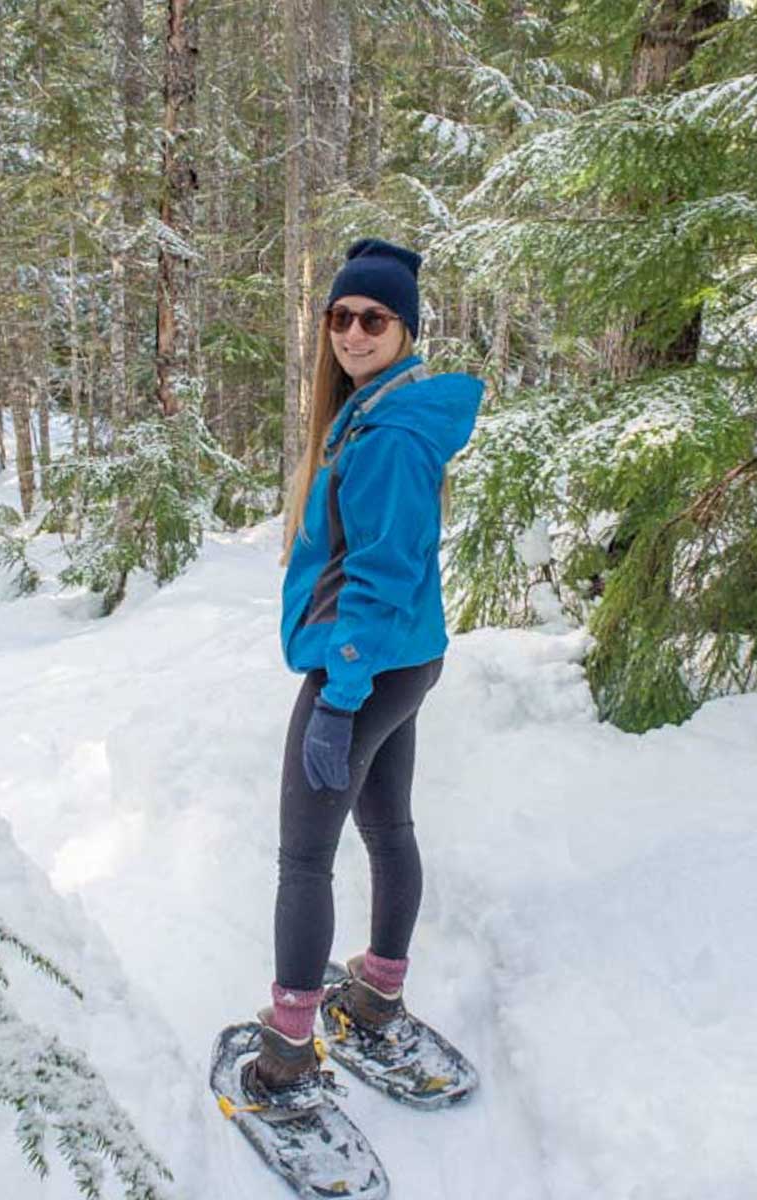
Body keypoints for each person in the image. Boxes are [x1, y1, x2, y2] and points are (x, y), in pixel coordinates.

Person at [244, 238, 483, 1108]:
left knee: (303, 860)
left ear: (405, 329)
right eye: (340, 316)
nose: (351, 332)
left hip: (365, 670)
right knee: (388, 832)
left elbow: (381, 575)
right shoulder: (383, 412)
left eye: (373, 319)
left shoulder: (384, 436)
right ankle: (377, 994)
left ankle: (287, 1055)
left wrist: (339, 698)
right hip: (406, 661)